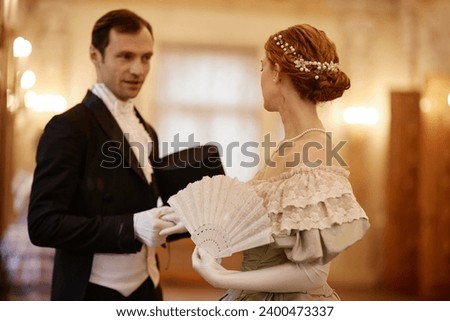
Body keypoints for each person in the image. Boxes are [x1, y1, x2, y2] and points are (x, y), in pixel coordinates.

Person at [191, 24, 370, 300]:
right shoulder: (287, 147)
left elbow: (313, 274)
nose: (260, 76)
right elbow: (260, 219)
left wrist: (222, 276)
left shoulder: (314, 151)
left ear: (277, 72)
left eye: (262, 67)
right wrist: (184, 219)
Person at [27, 9, 185, 301]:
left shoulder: (147, 131)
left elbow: (143, 203)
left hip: (148, 288)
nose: (138, 70)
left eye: (146, 57)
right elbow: (42, 225)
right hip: (91, 292)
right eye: (125, 56)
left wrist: (185, 216)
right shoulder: (69, 128)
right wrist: (132, 226)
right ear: (95, 55)